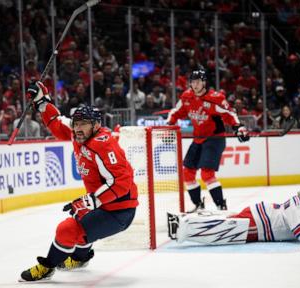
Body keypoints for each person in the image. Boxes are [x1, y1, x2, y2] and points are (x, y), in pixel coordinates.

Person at [19, 81, 138, 282]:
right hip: (104, 203)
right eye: (76, 124)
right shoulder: (78, 134)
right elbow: (57, 122)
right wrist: (41, 101)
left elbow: (121, 182)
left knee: (67, 229)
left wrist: (90, 201)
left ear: (96, 125)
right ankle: (81, 258)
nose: (78, 128)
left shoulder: (104, 145)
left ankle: (47, 267)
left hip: (119, 210)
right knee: (81, 218)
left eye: (83, 124)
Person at [167, 69, 249, 212]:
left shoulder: (215, 98)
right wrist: (170, 123)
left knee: (207, 173)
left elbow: (230, 113)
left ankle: (220, 205)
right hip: (198, 138)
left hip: (214, 139)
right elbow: (176, 112)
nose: (195, 84)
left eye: (198, 81)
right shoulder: (186, 97)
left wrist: (239, 128)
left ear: (204, 82)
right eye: (193, 81)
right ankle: (198, 204)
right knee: (187, 172)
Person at [168, 184, 300, 245]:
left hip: (259, 214)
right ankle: (184, 229)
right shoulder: (296, 207)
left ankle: (186, 221)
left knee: (227, 222)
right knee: (225, 231)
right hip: (260, 223)